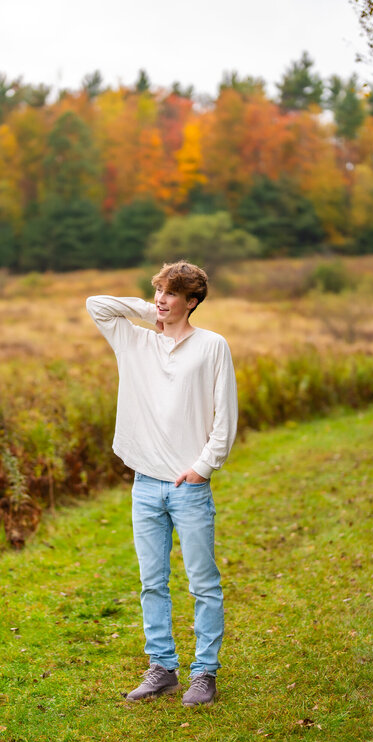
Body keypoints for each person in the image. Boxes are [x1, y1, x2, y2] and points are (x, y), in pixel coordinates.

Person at [86, 260, 238, 707]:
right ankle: (162, 668)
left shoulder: (212, 346)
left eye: (172, 294)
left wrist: (202, 468)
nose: (162, 299)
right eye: (159, 291)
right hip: (145, 484)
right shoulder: (135, 340)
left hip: (188, 485)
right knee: (152, 581)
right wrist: (146, 310)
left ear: (193, 301)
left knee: (202, 583)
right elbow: (97, 305)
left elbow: (225, 419)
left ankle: (204, 674)